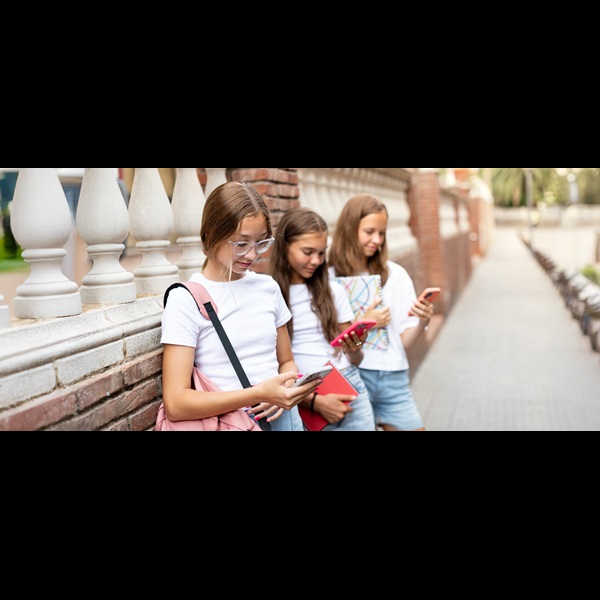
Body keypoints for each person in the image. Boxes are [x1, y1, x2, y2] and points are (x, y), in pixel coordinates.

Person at [161, 181, 321, 431]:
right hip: (231, 422)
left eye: (261, 243)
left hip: (286, 419)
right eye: (241, 243)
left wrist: (288, 387)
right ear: (210, 235)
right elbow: (176, 403)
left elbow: (286, 361)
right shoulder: (186, 299)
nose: (251, 255)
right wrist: (259, 394)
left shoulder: (268, 287)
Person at [328, 193, 435, 432]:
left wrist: (422, 320)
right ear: (350, 228)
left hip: (393, 379)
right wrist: (365, 322)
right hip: (350, 378)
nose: (376, 239)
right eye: (369, 231)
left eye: (382, 233)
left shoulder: (396, 275)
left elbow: (402, 342)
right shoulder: (328, 277)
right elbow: (326, 341)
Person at [270, 207, 376, 431]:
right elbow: (270, 366)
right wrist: (315, 401)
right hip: (302, 395)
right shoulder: (270, 295)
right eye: (307, 252)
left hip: (347, 384)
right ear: (284, 247)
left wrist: (355, 347)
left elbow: (355, 359)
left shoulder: (333, 292)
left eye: (321, 253)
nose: (316, 261)